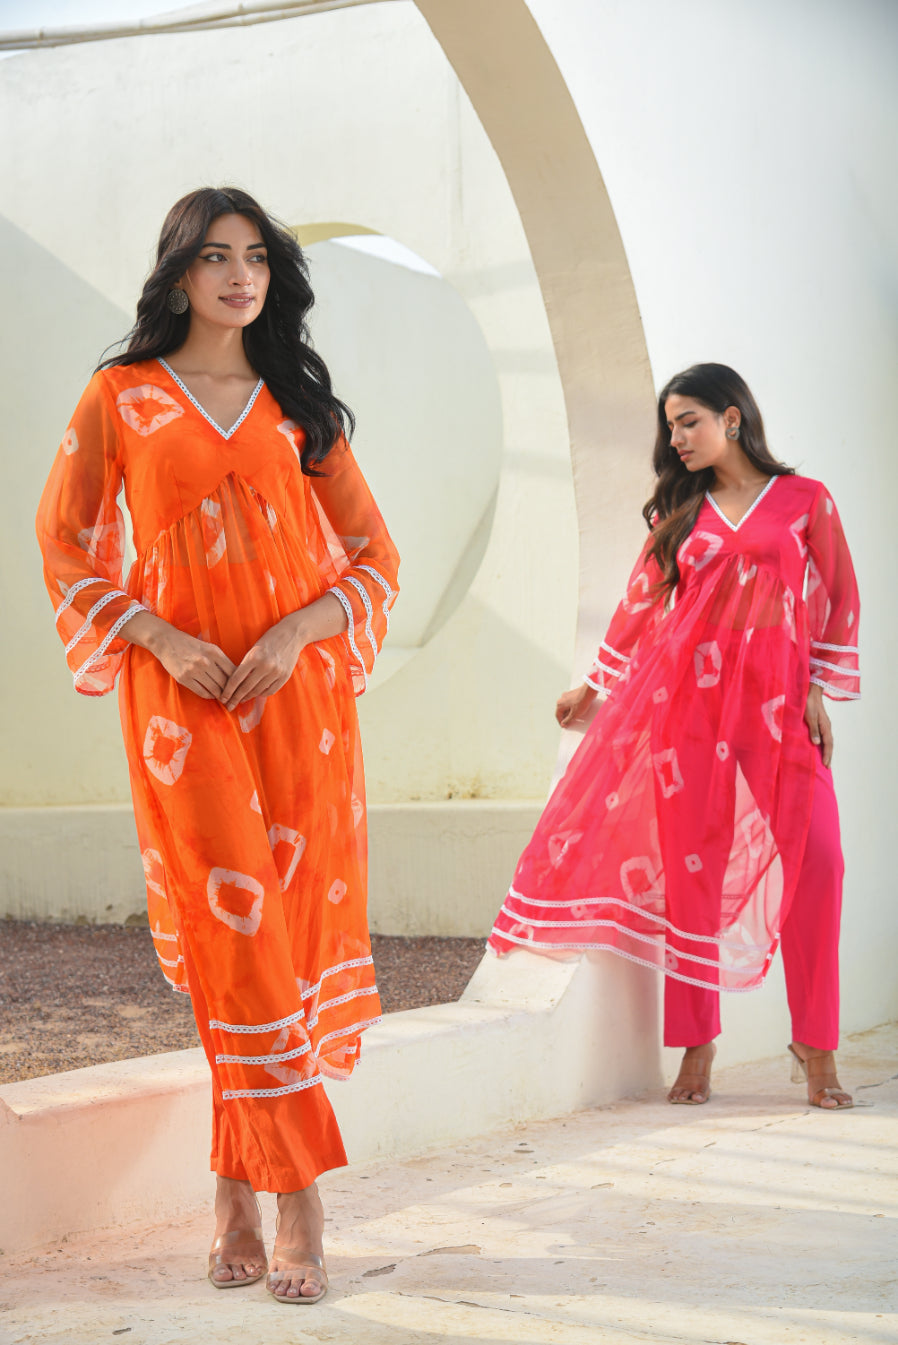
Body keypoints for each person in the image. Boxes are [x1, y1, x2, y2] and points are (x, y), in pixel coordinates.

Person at [36, 187, 399, 1302]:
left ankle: (234, 1190)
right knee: (232, 943)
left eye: (254, 258)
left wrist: (300, 629)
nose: (238, 276)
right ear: (178, 275)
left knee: (276, 949)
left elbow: (374, 557)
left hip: (297, 701)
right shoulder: (122, 395)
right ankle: (298, 1200)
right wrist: (152, 631)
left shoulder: (298, 404)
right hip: (179, 706)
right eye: (214, 257)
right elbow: (64, 541)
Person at [490, 363, 858, 1110]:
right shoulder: (679, 514)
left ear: (732, 417)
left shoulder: (804, 501)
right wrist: (591, 689)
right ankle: (697, 1044)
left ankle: (816, 1048)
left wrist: (817, 687)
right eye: (669, 425)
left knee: (820, 859)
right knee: (693, 872)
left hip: (777, 709)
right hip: (688, 710)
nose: (675, 437)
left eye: (688, 420)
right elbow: (638, 606)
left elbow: (840, 595)